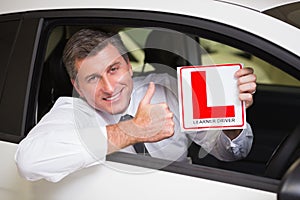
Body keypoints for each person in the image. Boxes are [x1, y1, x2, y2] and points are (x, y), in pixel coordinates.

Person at [15, 28, 256, 182]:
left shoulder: (171, 88)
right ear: (77, 86)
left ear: (129, 66)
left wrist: (231, 117)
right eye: (92, 78)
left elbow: (230, 153)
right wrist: (132, 130)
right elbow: (29, 162)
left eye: (113, 69)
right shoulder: (73, 111)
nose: (109, 87)